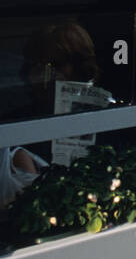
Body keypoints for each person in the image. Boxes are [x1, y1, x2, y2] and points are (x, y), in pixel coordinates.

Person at [0, 22, 101, 209]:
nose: (37, 77)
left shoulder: (104, 120)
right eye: (34, 67)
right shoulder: (19, 123)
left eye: (52, 67)